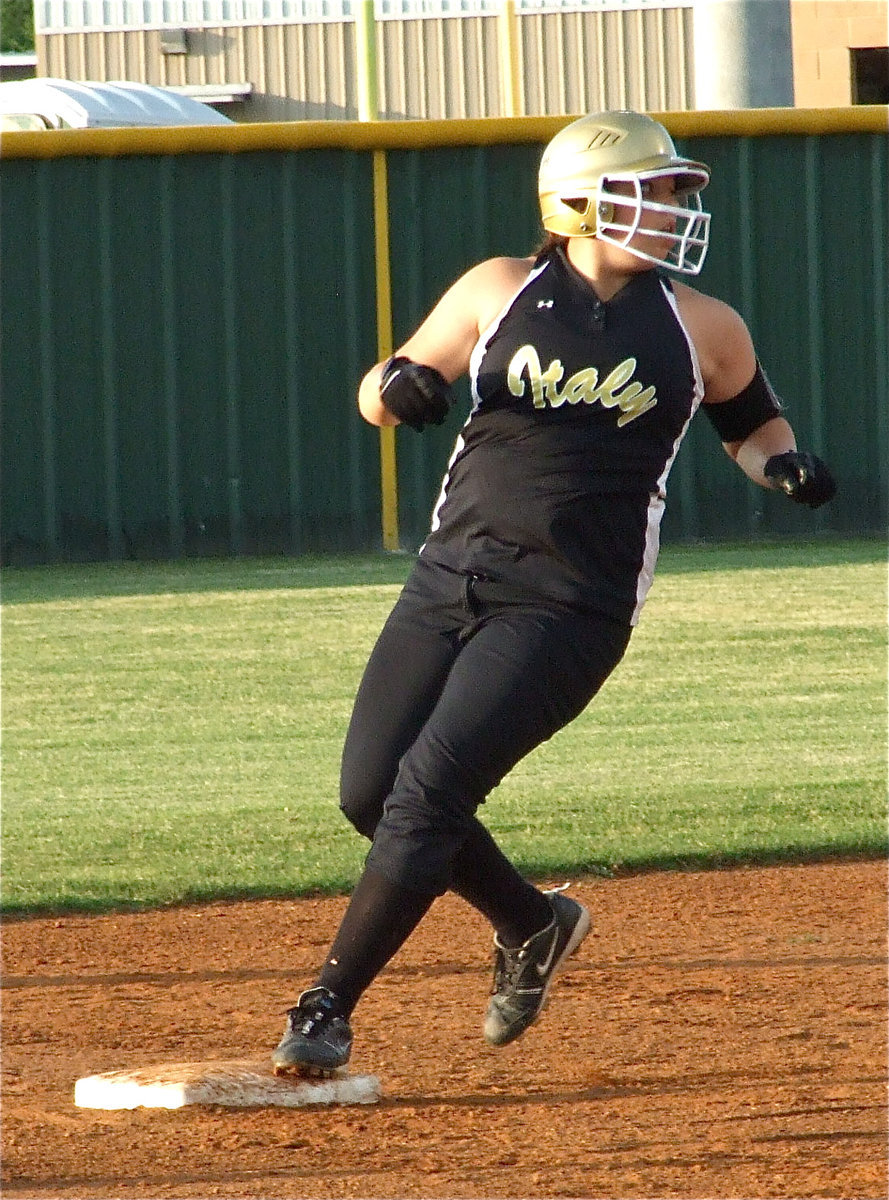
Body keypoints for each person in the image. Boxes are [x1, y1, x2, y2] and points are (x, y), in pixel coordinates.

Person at [270, 109, 836, 1077]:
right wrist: (399, 384)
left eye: (672, 194)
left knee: (430, 792)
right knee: (370, 792)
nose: (671, 209)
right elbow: (383, 383)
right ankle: (532, 924)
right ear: (577, 201)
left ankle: (327, 1005)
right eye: (652, 190)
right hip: (449, 576)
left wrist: (783, 467)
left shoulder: (702, 325)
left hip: (569, 606)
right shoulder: (500, 286)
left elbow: (751, 427)